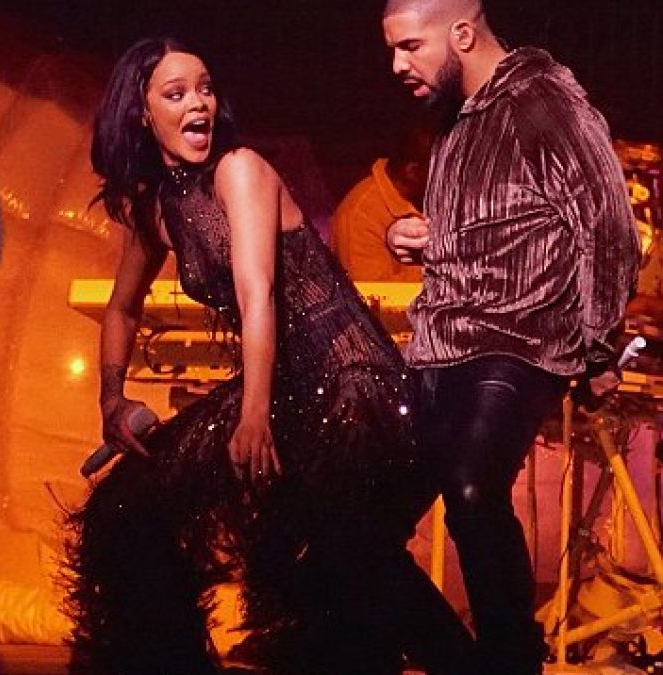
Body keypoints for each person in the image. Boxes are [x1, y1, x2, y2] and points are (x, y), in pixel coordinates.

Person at [64, 37, 475, 675]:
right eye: (176, 93)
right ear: (141, 113)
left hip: (353, 383)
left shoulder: (240, 170)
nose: (199, 103)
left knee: (335, 548)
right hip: (284, 387)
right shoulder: (152, 207)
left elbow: (258, 294)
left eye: (205, 88)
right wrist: (111, 401)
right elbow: (121, 309)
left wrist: (253, 415)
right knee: (127, 506)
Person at [381, 0, 640, 672]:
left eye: (411, 46)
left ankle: (509, 660)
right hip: (437, 348)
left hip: (518, 342)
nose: (397, 65)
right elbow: (489, 228)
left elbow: (610, 228)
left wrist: (597, 349)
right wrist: (408, 236)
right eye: (393, 49)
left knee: (472, 489)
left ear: (463, 34)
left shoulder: (543, 102)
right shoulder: (454, 119)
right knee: (352, 531)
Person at [329, 127, 431, 282]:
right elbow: (370, 292)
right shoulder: (360, 214)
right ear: (413, 172)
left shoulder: (431, 196)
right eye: (444, 169)